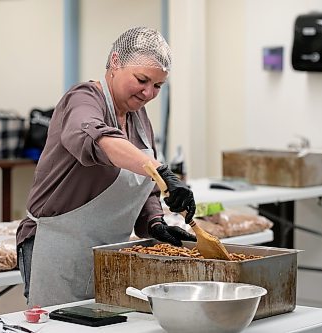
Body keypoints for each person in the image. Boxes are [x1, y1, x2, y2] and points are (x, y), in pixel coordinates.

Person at [16, 26, 197, 307]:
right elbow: (95, 138)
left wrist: (155, 223)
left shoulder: (139, 119)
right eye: (142, 80)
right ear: (115, 62)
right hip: (57, 248)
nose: (149, 93)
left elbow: (142, 189)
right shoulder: (83, 99)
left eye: (158, 86)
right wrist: (160, 170)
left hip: (108, 253)